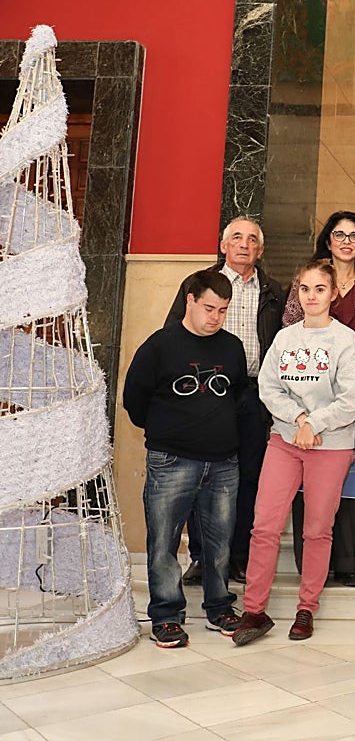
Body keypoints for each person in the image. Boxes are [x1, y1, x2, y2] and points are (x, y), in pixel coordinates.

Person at [233, 260, 355, 646]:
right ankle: (254, 609)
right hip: (285, 441)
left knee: (316, 530)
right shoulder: (285, 339)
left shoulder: (345, 341)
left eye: (320, 289)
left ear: (332, 294)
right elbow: (269, 389)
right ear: (297, 293)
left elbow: (350, 399)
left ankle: (306, 608)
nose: (312, 296)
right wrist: (299, 418)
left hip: (331, 444)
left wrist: (315, 424)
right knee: (265, 526)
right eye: (305, 289)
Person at [124, 269, 248, 648]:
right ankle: (165, 615)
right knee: (164, 542)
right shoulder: (159, 346)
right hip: (172, 461)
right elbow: (134, 401)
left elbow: (239, 395)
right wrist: (169, 432)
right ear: (190, 300)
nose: (215, 318)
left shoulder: (231, 347)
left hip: (224, 463)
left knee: (219, 542)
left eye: (223, 310)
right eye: (209, 308)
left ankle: (219, 607)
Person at [165, 217, 284, 586]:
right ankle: (202, 557)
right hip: (208, 392)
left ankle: (238, 557)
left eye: (252, 239)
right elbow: (173, 333)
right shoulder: (198, 284)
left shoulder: (274, 291)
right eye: (236, 238)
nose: (244, 244)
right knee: (204, 476)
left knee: (248, 477)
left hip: (254, 395)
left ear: (260, 250)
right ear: (223, 245)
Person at [284, 211, 355, 587]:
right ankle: (313, 565)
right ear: (328, 239)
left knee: (354, 488)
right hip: (308, 405)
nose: (347, 241)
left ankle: (349, 563)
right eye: (339, 234)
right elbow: (290, 335)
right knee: (307, 489)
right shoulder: (306, 281)